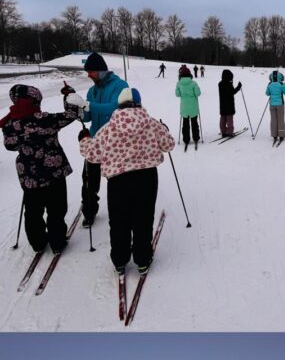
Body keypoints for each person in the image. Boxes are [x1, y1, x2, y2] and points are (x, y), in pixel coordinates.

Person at [79, 87, 174, 275]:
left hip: (118, 181)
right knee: (143, 218)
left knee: (119, 220)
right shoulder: (151, 123)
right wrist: (164, 129)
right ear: (139, 103)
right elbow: (169, 144)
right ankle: (142, 259)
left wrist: (84, 139)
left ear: (119, 105)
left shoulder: (109, 127)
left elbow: (92, 155)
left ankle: (120, 260)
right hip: (146, 178)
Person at [2, 85, 81, 254]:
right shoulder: (44, 118)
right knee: (56, 208)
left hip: (29, 175)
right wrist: (69, 96)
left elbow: (9, 145)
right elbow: (72, 114)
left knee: (33, 210)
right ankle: (57, 243)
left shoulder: (10, 122)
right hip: (53, 172)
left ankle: (37, 243)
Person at [77, 52, 128, 226]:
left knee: (117, 182)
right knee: (89, 180)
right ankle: (89, 211)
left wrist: (89, 105)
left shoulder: (120, 86)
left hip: (114, 142)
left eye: (91, 71)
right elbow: (88, 116)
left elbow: (114, 108)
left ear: (100, 70)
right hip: (94, 141)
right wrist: (77, 108)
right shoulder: (92, 90)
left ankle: (121, 211)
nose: (88, 75)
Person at [176, 67, 202, 150]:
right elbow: (198, 93)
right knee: (194, 123)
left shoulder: (179, 83)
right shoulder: (193, 83)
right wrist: (198, 89)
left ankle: (186, 139)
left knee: (185, 124)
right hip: (193, 107)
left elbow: (177, 94)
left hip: (184, 107)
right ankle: (196, 137)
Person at [265, 70, 285, 143]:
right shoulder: (281, 84)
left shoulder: (270, 84)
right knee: (280, 120)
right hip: (280, 105)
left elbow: (267, 93)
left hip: (272, 104)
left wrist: (271, 91)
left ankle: (274, 135)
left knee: (273, 120)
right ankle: (281, 134)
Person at [217, 69, 242, 138]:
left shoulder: (220, 84)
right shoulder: (228, 84)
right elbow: (232, 92)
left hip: (222, 105)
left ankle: (223, 131)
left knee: (223, 118)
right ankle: (230, 132)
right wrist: (238, 87)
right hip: (229, 105)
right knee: (229, 119)